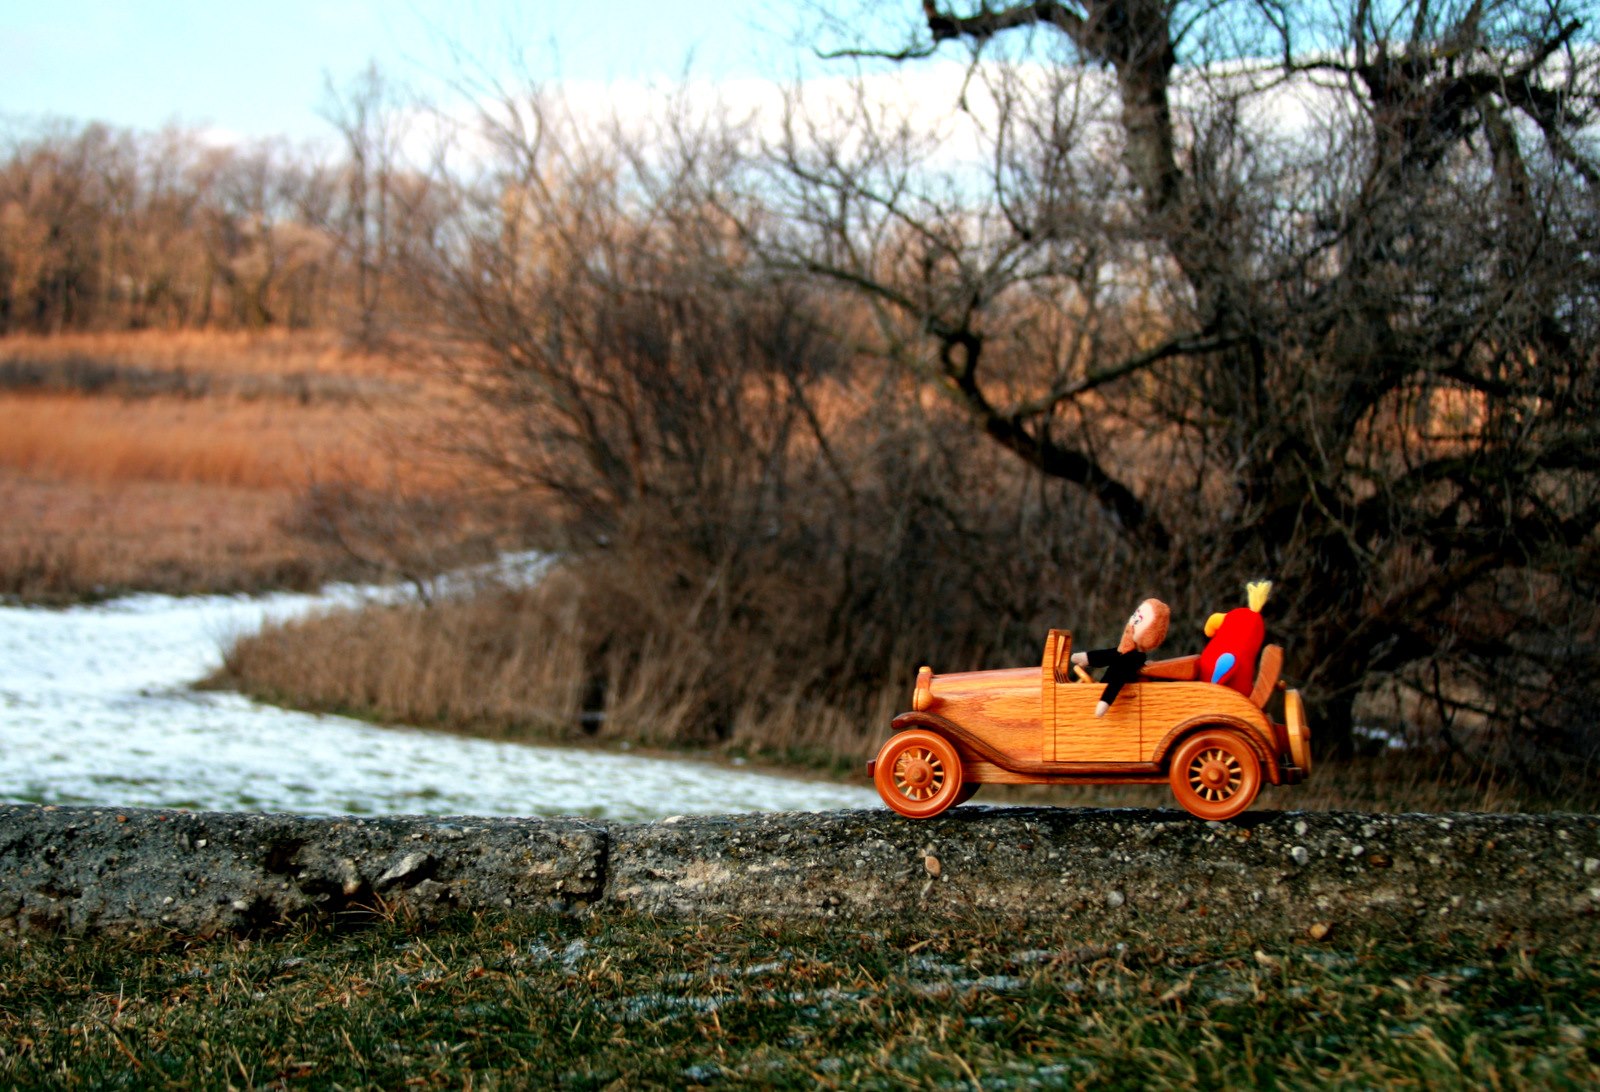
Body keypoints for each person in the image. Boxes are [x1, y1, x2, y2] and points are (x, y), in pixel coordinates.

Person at [1071, 598, 1171, 717]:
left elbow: (1117, 679)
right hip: (1102, 693)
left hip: (1112, 706)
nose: (1131, 621)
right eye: (1135, 615)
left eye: (1138, 619)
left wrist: (1105, 701)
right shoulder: (1124, 654)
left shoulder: (1131, 659)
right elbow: (1106, 656)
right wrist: (1086, 658)